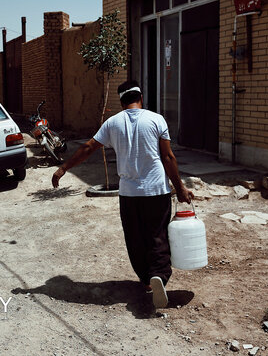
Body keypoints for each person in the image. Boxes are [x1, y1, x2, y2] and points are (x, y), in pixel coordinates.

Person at [51, 80, 193, 309]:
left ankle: (147, 280)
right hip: (156, 190)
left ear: (121, 100)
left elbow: (88, 147)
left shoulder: (112, 123)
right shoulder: (156, 119)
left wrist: (63, 168)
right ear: (141, 97)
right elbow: (168, 158)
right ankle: (159, 276)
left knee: (135, 237)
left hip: (128, 193)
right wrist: (180, 188)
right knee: (157, 234)